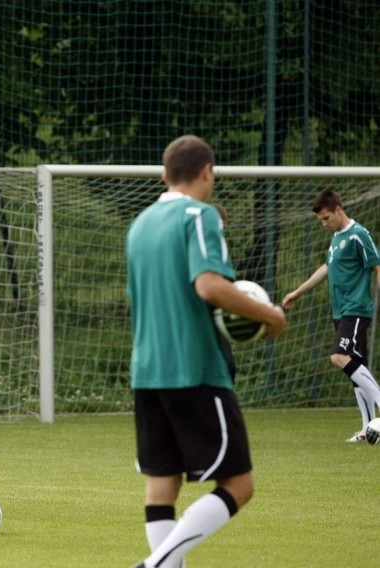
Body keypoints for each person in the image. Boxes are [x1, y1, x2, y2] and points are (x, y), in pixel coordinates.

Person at [125, 135, 287, 568]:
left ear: (164, 174)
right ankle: (156, 565)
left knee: (163, 485)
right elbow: (209, 286)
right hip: (193, 368)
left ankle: (160, 563)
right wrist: (269, 316)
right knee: (240, 484)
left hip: (147, 372)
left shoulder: (140, 225)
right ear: (207, 172)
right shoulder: (199, 215)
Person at [282, 189, 380, 442]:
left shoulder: (359, 235)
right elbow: (327, 267)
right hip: (341, 310)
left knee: (339, 357)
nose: (324, 224)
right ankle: (368, 430)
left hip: (356, 309)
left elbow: (376, 266)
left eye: (326, 218)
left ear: (338, 209)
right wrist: (297, 292)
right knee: (357, 371)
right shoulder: (337, 238)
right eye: (320, 220)